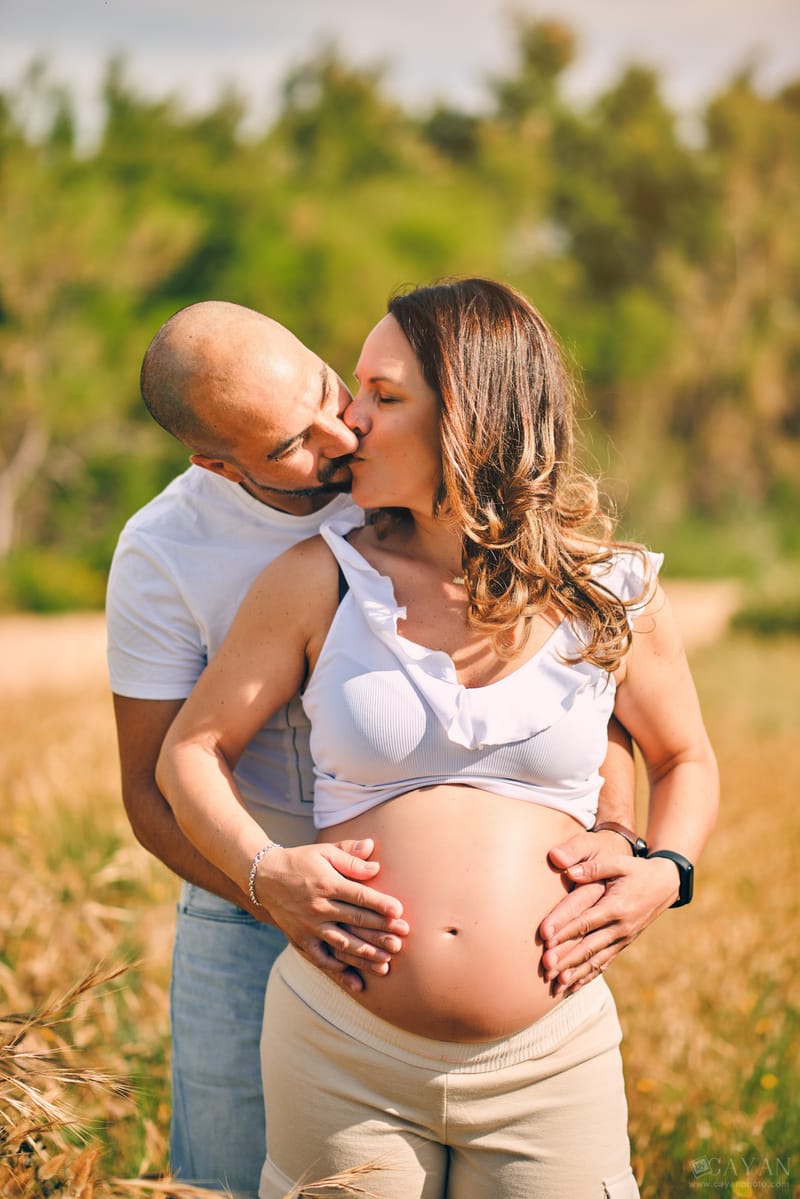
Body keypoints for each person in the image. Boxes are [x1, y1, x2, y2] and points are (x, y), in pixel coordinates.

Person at [155, 279, 719, 1199]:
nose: (350, 427)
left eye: (382, 397)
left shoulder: (609, 589)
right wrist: (265, 871)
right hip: (340, 1049)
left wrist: (668, 870)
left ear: (471, 414)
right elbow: (189, 751)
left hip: (550, 1056)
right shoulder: (321, 578)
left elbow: (685, 754)